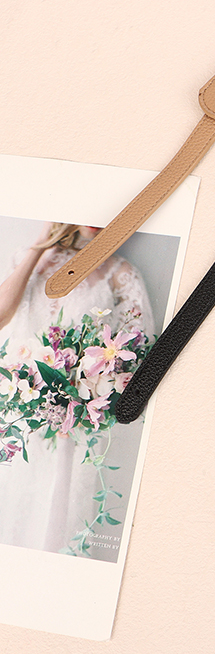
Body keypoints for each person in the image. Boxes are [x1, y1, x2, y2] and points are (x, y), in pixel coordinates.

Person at [0, 222, 153, 555]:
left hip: (76, 426)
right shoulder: (28, 257)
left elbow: (138, 357)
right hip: (19, 418)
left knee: (59, 518)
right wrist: (42, 243)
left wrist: (91, 388)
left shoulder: (120, 273)